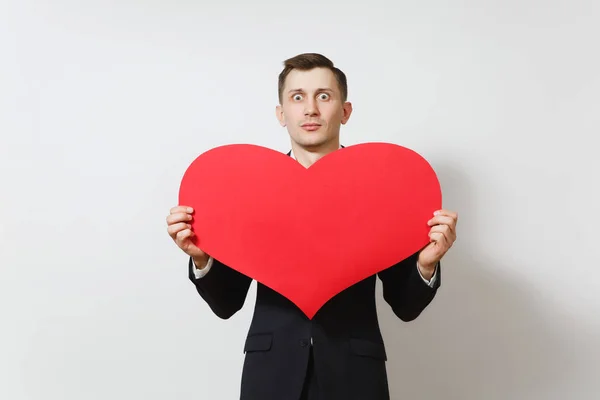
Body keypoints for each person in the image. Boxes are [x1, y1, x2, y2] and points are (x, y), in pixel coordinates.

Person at [166, 53, 458, 400]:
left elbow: (405, 306)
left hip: (356, 378)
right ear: (281, 113)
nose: (310, 110)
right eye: (297, 97)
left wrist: (426, 264)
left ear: (345, 111)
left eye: (323, 96)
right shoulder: (252, 193)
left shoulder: (378, 192)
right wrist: (203, 259)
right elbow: (227, 303)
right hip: (270, 377)